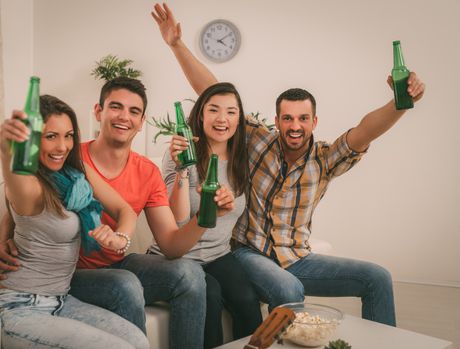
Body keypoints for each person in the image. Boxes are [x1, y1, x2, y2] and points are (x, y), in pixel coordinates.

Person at [152, 2, 426, 326]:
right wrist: (176, 44)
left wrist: (399, 103)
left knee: (377, 277)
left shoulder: (325, 159)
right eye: (287, 118)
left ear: (314, 121)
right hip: (248, 253)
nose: (294, 126)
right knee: (287, 287)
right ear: (277, 120)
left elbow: (365, 131)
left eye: (303, 118)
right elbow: (215, 92)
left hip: (298, 257)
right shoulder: (257, 141)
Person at [0, 78, 235, 349]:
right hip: (71, 277)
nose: (124, 117)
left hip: (96, 274)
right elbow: (21, 199)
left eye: (133, 111)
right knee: (125, 284)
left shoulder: (83, 170)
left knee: (189, 274)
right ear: (99, 111)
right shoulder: (67, 160)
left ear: (142, 121)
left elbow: (169, 243)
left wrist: (204, 217)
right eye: (115, 107)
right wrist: (2, 241)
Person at [0, 94, 148, 349]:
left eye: (68, 135)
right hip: (20, 306)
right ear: (32, 139)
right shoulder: (30, 187)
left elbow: (124, 210)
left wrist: (120, 237)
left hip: (62, 300)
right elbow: (13, 174)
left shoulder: (76, 177)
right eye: (51, 136)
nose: (62, 146)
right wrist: (5, 148)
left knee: (138, 343)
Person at [148, 82, 262, 348]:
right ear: (201, 115)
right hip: (178, 258)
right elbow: (176, 219)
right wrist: (182, 170)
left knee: (247, 301)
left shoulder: (242, 158)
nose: (222, 119)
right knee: (209, 296)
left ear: (239, 118)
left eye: (231, 112)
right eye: (214, 110)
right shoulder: (180, 154)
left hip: (218, 255)